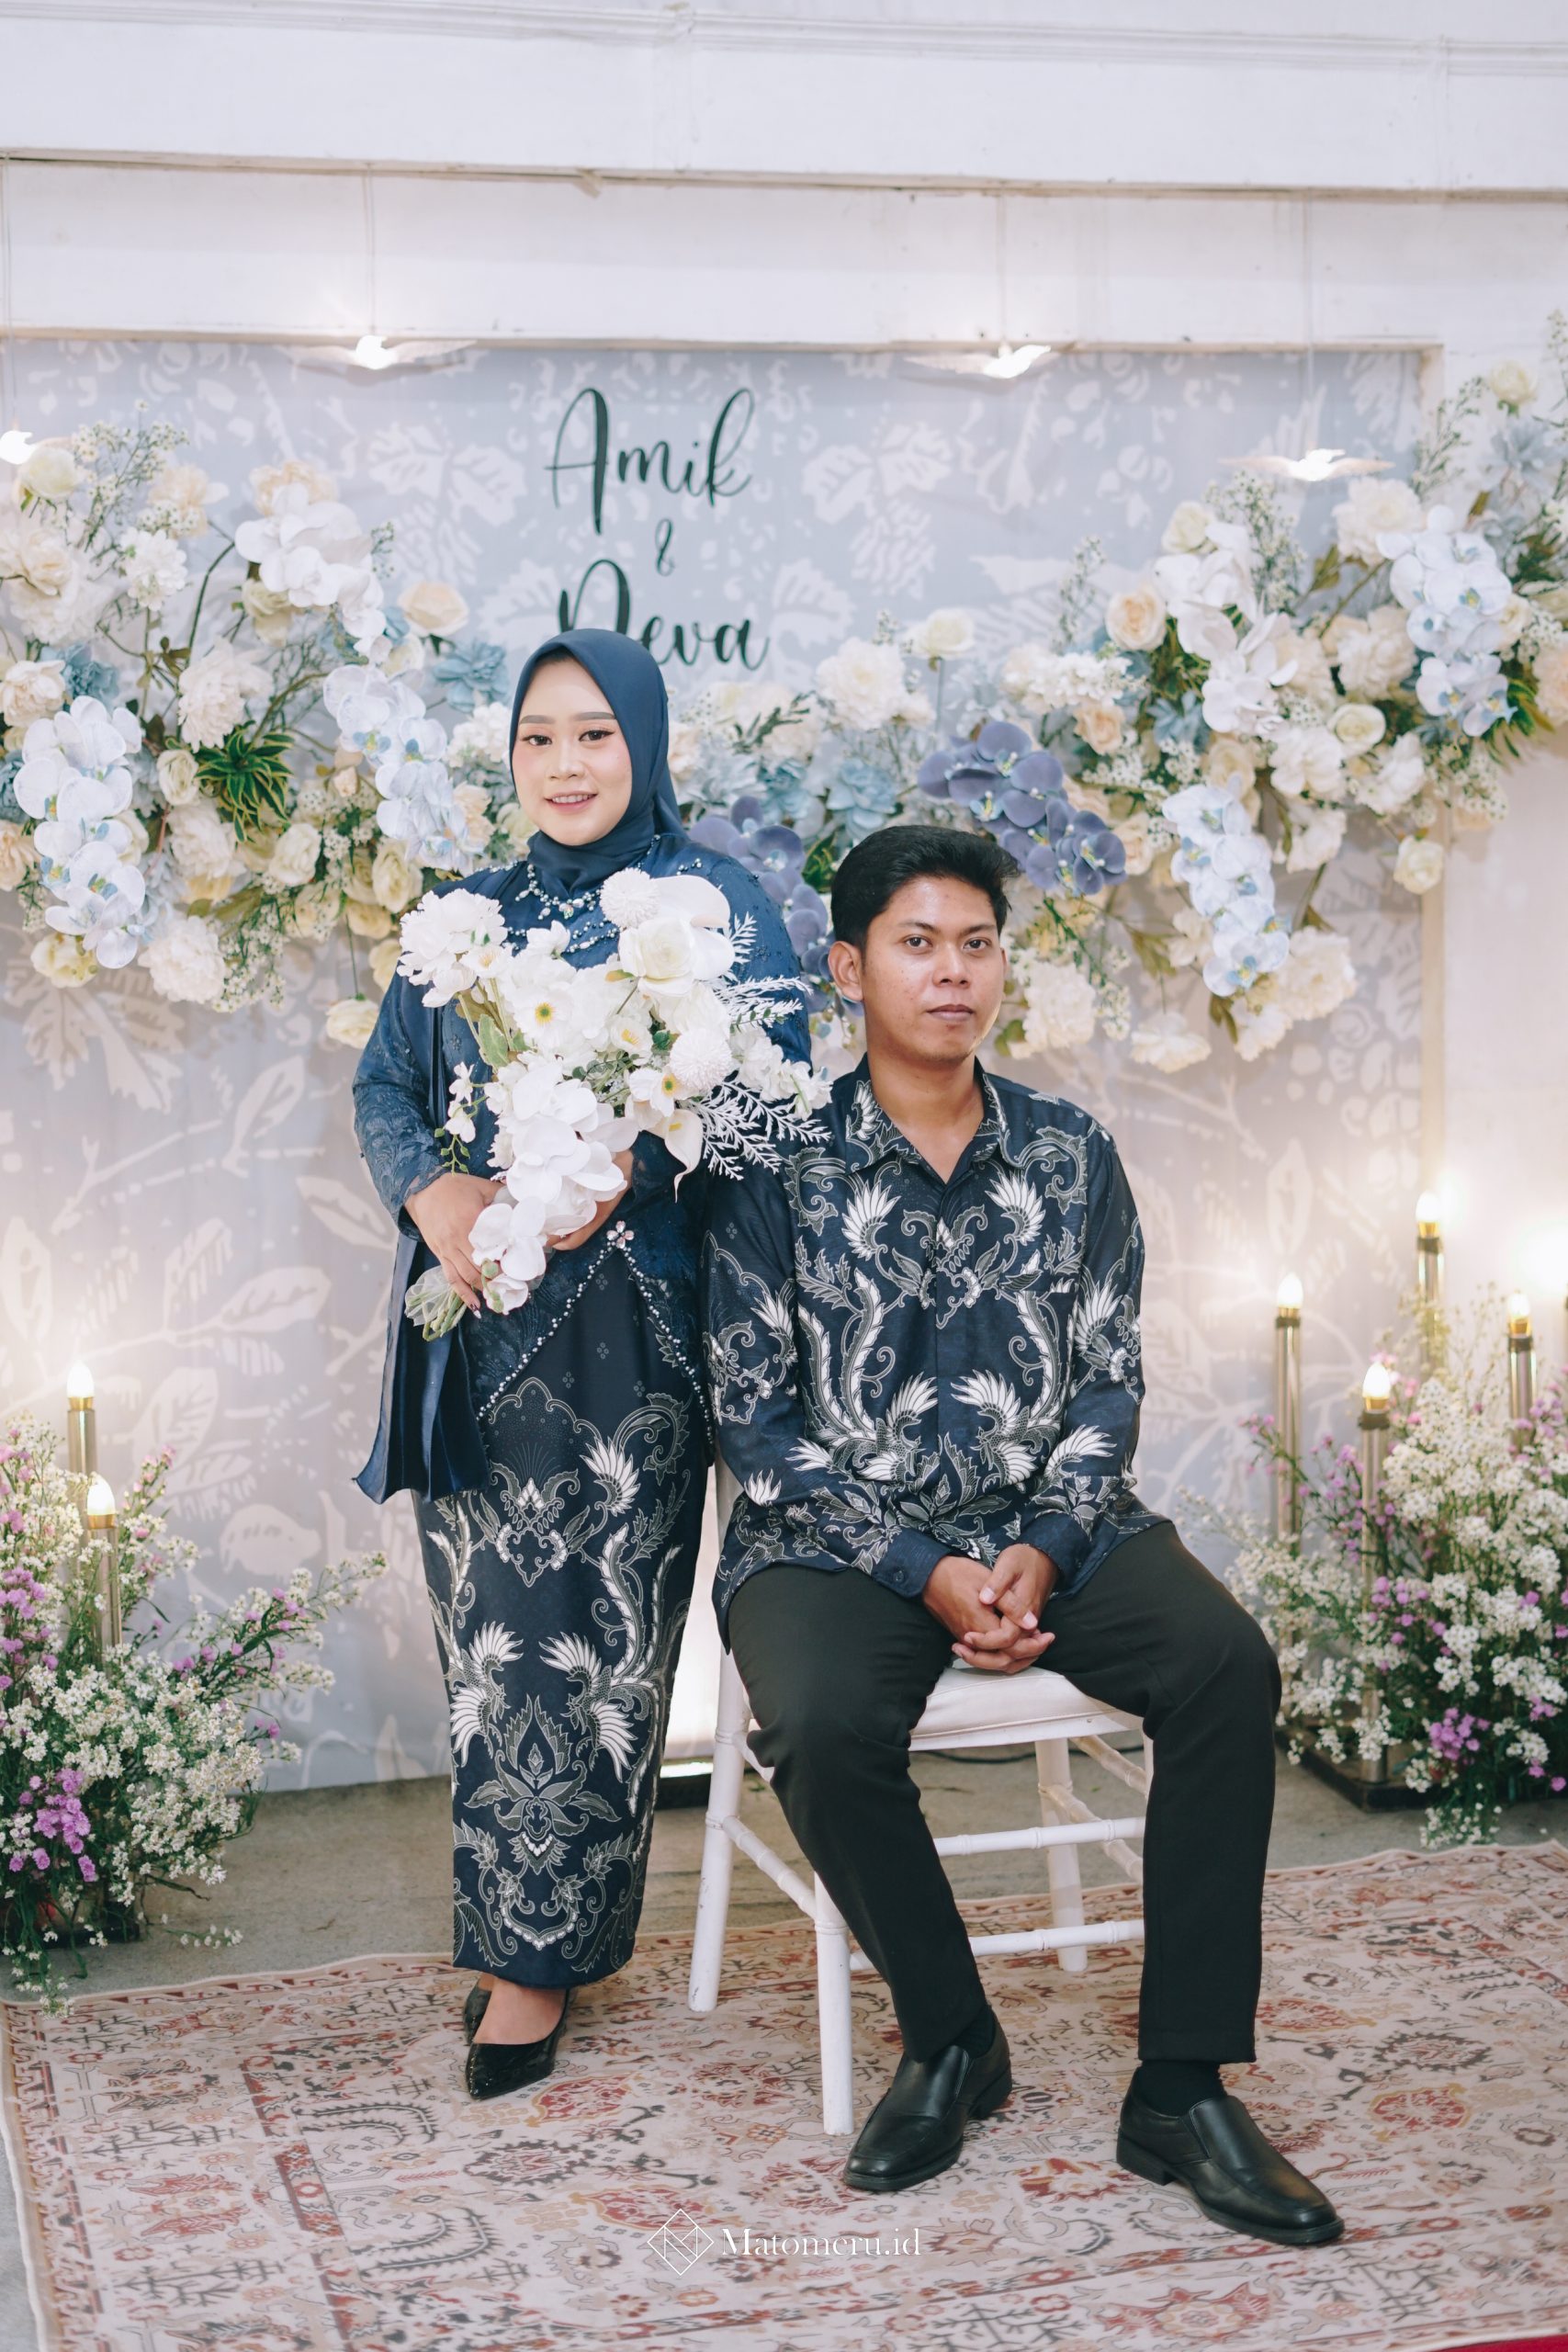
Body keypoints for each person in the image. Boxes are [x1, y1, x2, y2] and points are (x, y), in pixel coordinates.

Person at [700, 822, 1342, 2246]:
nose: (952, 974)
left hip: (1054, 1529)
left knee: (1226, 1665)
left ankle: (1181, 2088)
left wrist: (1044, 1542)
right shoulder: (768, 1167)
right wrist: (921, 1569)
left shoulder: (1070, 1152)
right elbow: (755, 1424)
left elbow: (1109, 1379)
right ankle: (951, 2038)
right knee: (819, 1718)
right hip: (837, 1541)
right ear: (850, 969)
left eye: (976, 944)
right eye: (917, 945)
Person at [353, 628, 807, 2103]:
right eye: (538, 737)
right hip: (482, 1328)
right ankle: (514, 1933)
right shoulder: (465, 919)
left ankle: (541, 1959)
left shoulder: (716, 904)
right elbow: (383, 1083)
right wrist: (433, 1194)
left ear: (647, 744)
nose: (565, 764)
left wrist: (645, 1152)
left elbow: (780, 1110)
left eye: (596, 734)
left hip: (638, 1344)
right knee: (490, 1654)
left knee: (595, 1650)